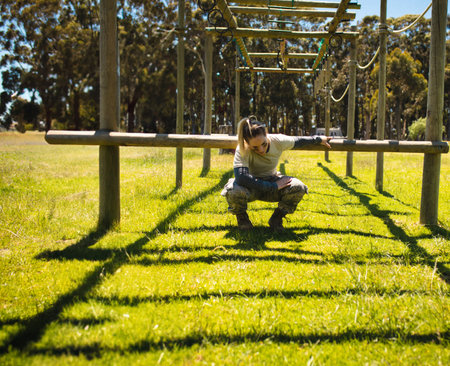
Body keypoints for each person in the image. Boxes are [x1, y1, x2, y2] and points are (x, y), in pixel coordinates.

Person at [221, 116, 332, 231]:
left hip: (272, 180)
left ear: (266, 134)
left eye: (264, 144)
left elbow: (299, 141)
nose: (261, 150)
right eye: (255, 147)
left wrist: (318, 139)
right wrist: (273, 186)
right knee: (233, 190)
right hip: (250, 186)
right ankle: (242, 219)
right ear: (246, 142)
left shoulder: (278, 140)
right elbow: (242, 178)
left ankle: (277, 218)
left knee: (298, 187)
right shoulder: (242, 148)